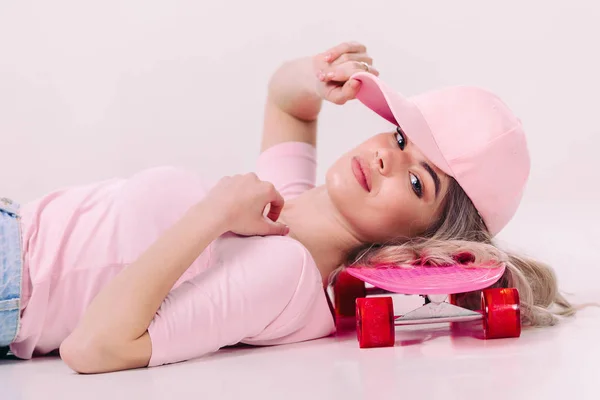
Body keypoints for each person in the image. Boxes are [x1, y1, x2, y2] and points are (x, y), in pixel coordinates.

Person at [0, 41, 575, 374]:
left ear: (424, 247)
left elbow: (93, 347)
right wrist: (319, 77)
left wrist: (214, 212)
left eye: (418, 182)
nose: (384, 159)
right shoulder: (294, 207)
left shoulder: (286, 273)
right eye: (400, 139)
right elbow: (288, 102)